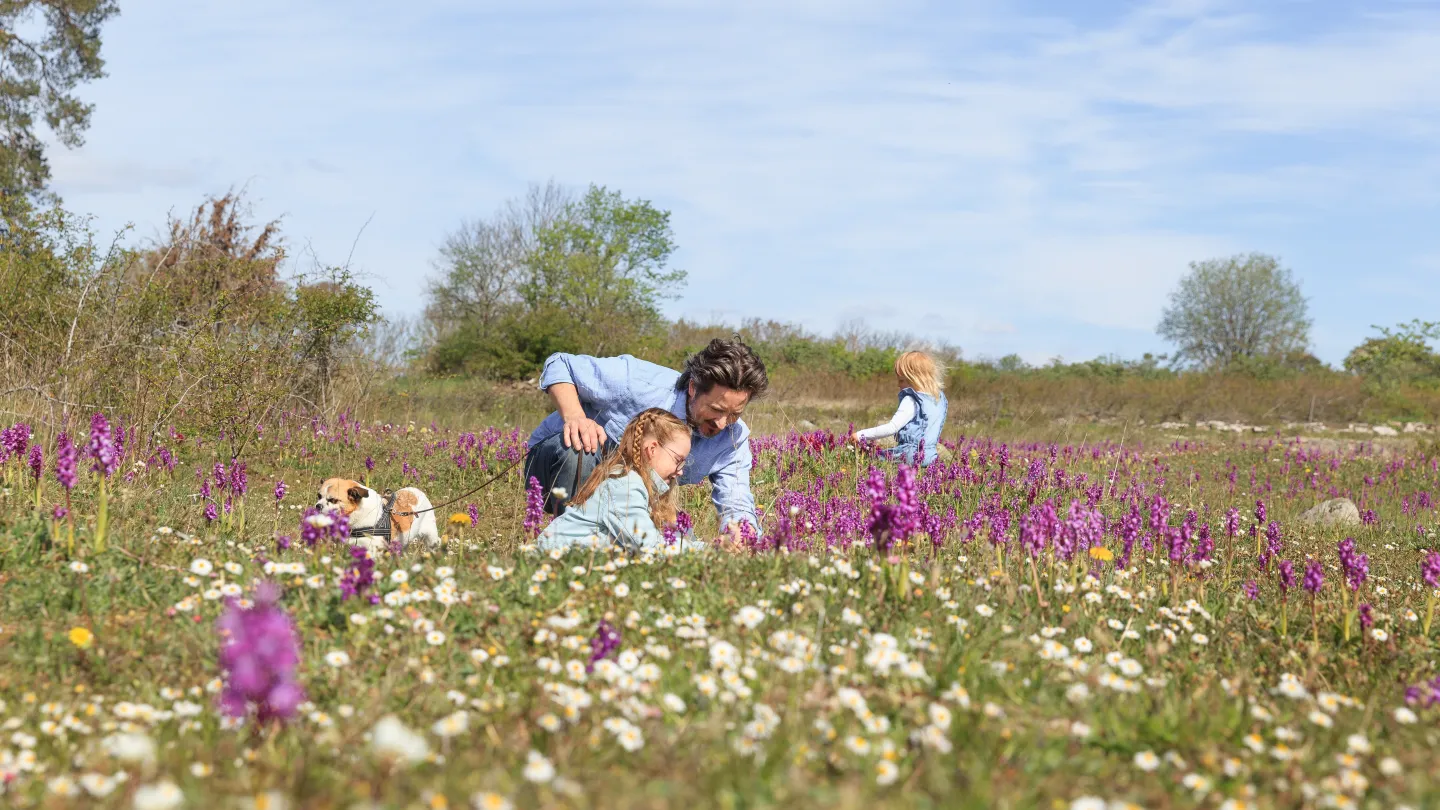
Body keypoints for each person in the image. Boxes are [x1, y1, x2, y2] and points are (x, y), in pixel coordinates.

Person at [524, 337, 768, 540]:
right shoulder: (636, 382)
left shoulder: (733, 438)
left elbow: (735, 499)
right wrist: (575, 416)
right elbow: (560, 364)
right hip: (555, 465)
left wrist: (741, 532)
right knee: (581, 449)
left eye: (734, 413)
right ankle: (570, 545)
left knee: (682, 544)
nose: (722, 423)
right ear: (693, 388)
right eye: (716, 409)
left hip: (631, 491)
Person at [538, 409, 704, 553]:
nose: (680, 470)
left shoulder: (635, 483)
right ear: (652, 449)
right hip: (552, 562)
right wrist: (709, 552)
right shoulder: (625, 485)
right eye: (678, 460)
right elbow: (647, 546)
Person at [847, 350, 949, 466]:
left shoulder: (911, 399)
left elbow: (892, 427)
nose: (898, 384)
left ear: (914, 379)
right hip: (930, 456)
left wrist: (860, 435)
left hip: (909, 454)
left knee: (871, 460)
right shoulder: (938, 400)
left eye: (901, 380)